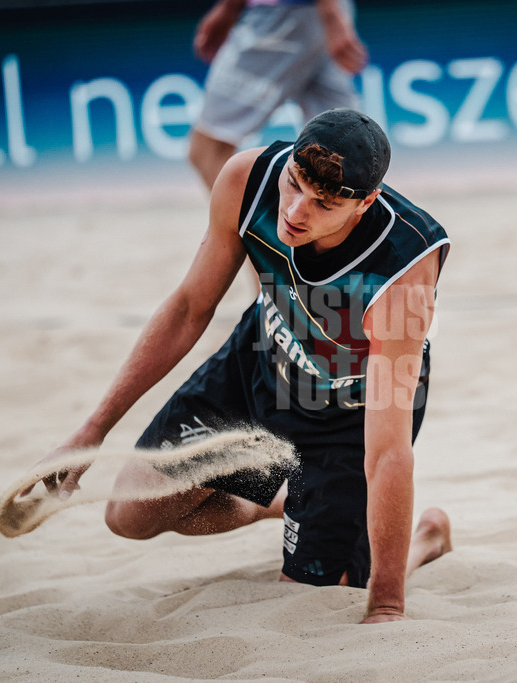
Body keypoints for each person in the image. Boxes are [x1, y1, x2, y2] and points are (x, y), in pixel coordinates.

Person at [28, 109, 452, 624]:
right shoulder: (247, 178)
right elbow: (189, 307)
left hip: (345, 417)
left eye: (323, 204)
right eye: (293, 183)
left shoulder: (403, 273)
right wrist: (93, 430)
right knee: (130, 514)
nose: (295, 210)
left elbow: (387, 454)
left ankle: (422, 539)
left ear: (365, 203)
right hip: (259, 362)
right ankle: (285, 499)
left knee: (319, 597)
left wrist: (386, 604)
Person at [187, 0, 368, 190]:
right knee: (342, 151)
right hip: (326, 11)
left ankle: (258, 211)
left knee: (209, 148)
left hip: (284, 15)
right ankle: (356, 210)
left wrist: (229, 7)